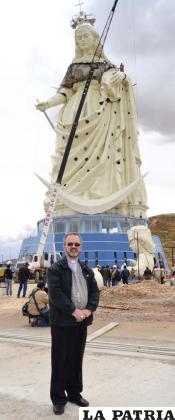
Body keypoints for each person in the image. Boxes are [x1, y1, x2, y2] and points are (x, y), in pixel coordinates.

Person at [36, 17, 147, 218]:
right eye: (78, 38)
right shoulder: (73, 66)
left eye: (86, 36)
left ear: (95, 38)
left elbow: (117, 83)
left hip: (99, 109)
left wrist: (121, 78)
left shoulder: (106, 65)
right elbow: (64, 92)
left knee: (102, 155)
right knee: (66, 156)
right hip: (73, 113)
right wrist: (48, 103)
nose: (82, 40)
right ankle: (66, 203)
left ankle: (98, 195)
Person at [47, 232, 99, 415]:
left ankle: (74, 393)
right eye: (70, 244)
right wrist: (73, 311)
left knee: (76, 360)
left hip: (81, 322)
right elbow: (56, 294)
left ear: (81, 247)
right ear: (64, 247)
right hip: (62, 323)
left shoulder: (87, 270)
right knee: (60, 360)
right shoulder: (55, 269)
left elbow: (95, 293)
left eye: (77, 244)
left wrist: (88, 309)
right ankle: (59, 398)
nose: (73, 247)